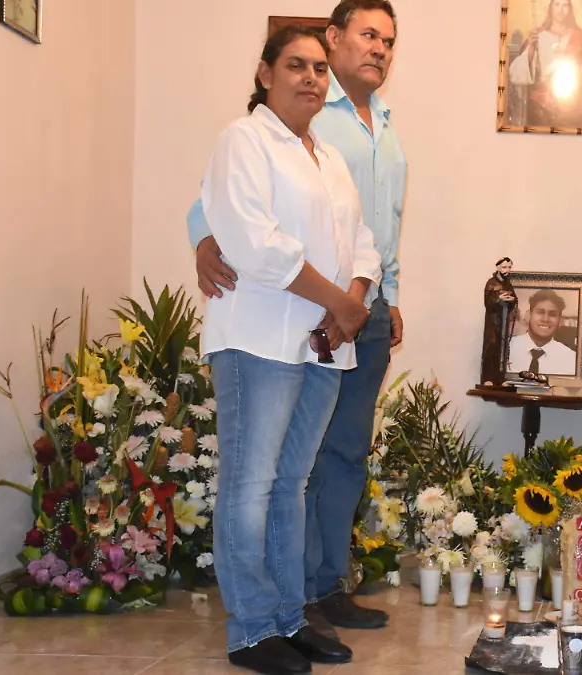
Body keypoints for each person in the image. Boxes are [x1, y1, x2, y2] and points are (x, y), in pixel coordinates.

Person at [187, 0, 407, 639]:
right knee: (252, 486)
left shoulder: (336, 153)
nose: (311, 78)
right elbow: (247, 234)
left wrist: (360, 297)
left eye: (316, 69)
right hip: (262, 335)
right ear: (266, 73)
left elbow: (365, 237)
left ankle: (292, 614)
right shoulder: (244, 138)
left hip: (328, 341)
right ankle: (254, 625)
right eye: (298, 65)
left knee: (296, 481)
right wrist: (341, 303)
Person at [507, 0, 582, 126]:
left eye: (565, 5)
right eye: (557, 4)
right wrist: (530, 50)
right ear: (550, 7)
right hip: (539, 111)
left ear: (571, 8)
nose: (560, 10)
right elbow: (515, 74)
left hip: (572, 110)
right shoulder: (538, 36)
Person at [506, 290, 577, 375]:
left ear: (560, 321)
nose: (545, 319)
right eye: (540, 312)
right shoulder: (507, 348)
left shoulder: (571, 359)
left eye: (552, 314)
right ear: (528, 315)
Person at [480, 257, 519, 386]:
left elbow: (515, 299)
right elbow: (488, 302)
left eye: (509, 267)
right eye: (504, 267)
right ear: (498, 268)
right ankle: (487, 378)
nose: (507, 270)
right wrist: (498, 298)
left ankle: (499, 378)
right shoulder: (491, 283)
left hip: (503, 321)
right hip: (493, 322)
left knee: (501, 349)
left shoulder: (508, 283)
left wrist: (511, 300)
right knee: (491, 347)